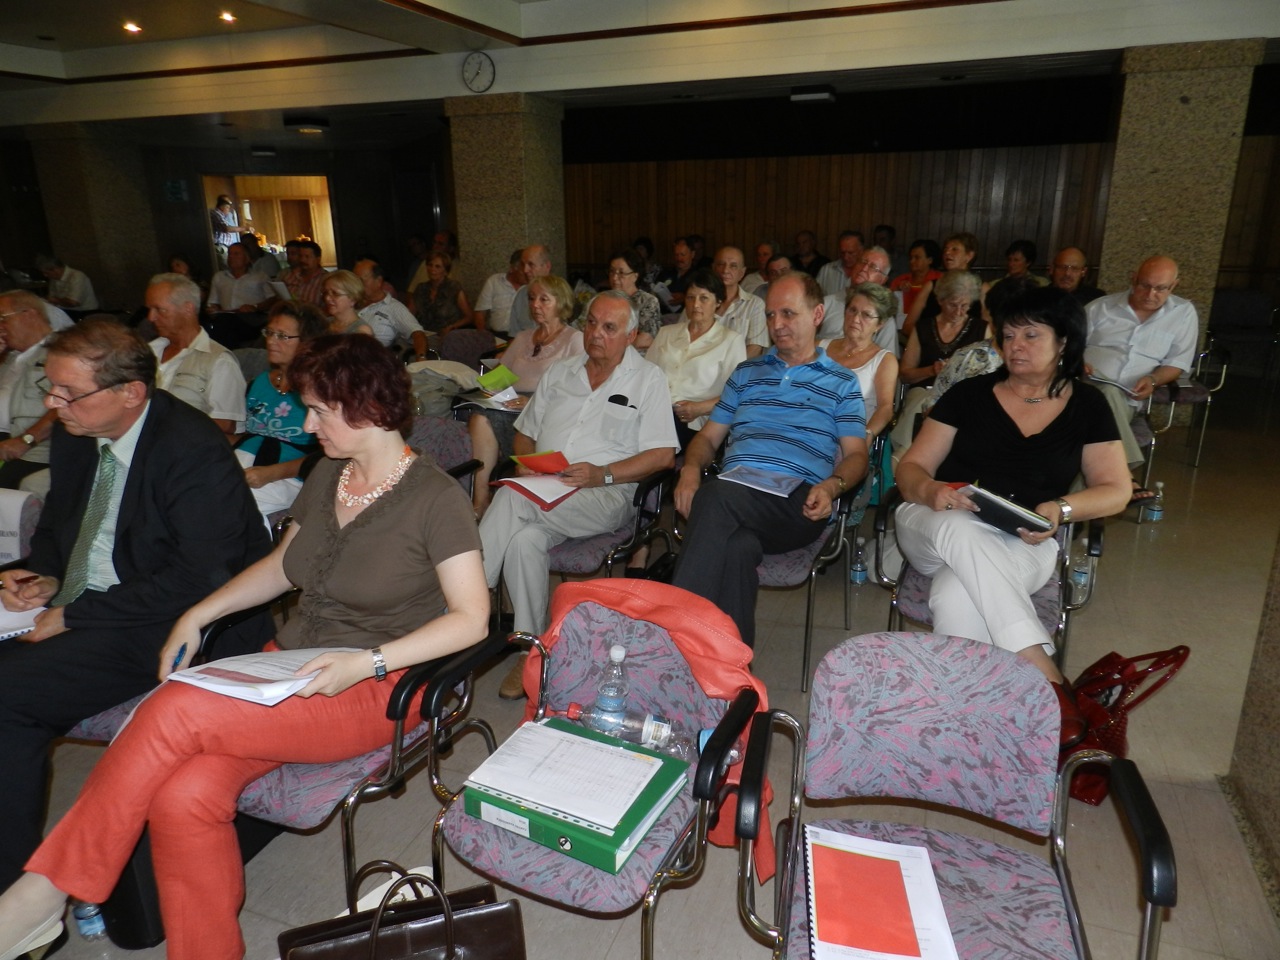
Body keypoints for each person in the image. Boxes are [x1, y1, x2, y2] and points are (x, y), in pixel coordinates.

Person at [0, 334, 488, 960]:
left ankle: (51, 887)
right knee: (183, 796)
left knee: (175, 707)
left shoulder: (434, 498)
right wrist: (199, 614)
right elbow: (283, 565)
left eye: (319, 411)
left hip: (374, 685)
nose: (307, 426)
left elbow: (472, 620)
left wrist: (366, 661)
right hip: (287, 666)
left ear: (366, 407)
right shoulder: (330, 472)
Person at [0, 317, 272, 901]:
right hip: (94, 599)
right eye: (51, 387)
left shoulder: (191, 449)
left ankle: (16, 900)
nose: (52, 405)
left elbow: (200, 578)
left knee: (8, 697)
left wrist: (76, 615)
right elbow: (58, 527)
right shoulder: (79, 430)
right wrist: (40, 576)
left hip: (174, 621)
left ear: (131, 392)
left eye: (68, 392)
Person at [893, 285, 1131, 745]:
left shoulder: (1088, 406)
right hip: (934, 523)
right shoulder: (968, 394)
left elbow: (1116, 490)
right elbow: (910, 468)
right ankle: (1046, 675)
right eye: (1008, 335)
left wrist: (1061, 508)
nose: (1015, 346)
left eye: (1031, 335)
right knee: (961, 526)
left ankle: (966, 732)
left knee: (956, 594)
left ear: (1063, 342)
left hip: (1025, 539)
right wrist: (930, 488)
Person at [482, 290, 677, 696]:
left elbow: (662, 455)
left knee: (511, 498)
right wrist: (528, 462)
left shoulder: (648, 379)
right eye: (591, 323)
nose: (596, 333)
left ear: (631, 335)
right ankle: (532, 651)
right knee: (523, 541)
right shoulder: (561, 372)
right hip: (548, 488)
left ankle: (466, 605)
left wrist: (602, 474)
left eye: (609, 327)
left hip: (607, 493)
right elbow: (524, 434)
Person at [672, 273, 868, 648]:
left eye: (788, 313)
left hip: (797, 502)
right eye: (770, 314)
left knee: (716, 497)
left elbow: (857, 456)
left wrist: (832, 486)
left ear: (817, 314)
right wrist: (691, 470)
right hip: (738, 494)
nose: (777, 324)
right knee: (737, 547)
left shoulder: (841, 383)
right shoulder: (746, 373)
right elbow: (708, 437)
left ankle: (672, 632)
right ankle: (732, 664)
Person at [467, 274, 585, 517]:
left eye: (544, 299)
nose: (535, 305)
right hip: (511, 407)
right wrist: (488, 390)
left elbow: (578, 391)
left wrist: (531, 402)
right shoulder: (523, 338)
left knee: (484, 418)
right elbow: (499, 378)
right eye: (532, 299)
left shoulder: (574, 339)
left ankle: (489, 499)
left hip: (545, 413)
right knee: (479, 415)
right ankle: (481, 500)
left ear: (561, 302)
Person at [1084, 255, 1199, 496]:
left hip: (1130, 397)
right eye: (1145, 285)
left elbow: (1177, 363)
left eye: (1161, 288)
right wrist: (1078, 363)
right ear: (1133, 279)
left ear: (1174, 285)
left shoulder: (1183, 313)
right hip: (1084, 386)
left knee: (1108, 396)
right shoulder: (1099, 308)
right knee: (1105, 392)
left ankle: (1109, 482)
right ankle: (1124, 476)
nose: (1150, 294)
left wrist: (1154, 380)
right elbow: (1067, 346)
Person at [235, 301, 329, 524]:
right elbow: (243, 435)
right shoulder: (259, 382)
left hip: (288, 477)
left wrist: (272, 473)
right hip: (243, 463)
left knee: (232, 507)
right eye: (269, 333)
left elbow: (326, 456)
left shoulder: (320, 389)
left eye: (282, 336)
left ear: (307, 342)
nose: (271, 341)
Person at [646, 268, 747, 449]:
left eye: (704, 298)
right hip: (654, 410)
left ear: (718, 302)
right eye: (691, 298)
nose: (696, 305)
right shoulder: (666, 333)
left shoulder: (731, 340)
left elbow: (738, 394)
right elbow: (645, 374)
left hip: (694, 421)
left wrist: (699, 408)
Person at [146, 272, 247, 438]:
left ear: (188, 308)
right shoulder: (146, 353)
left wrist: (164, 426)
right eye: (149, 309)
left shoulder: (219, 361)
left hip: (185, 446)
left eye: (160, 310)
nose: (151, 317)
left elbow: (225, 424)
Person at [818, 282, 899, 444]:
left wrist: (866, 436)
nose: (855, 319)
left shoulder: (884, 360)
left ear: (880, 324)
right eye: (852, 310)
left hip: (849, 438)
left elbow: (885, 408)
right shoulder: (819, 347)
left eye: (866, 315)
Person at [0, 292, 59, 488]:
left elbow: (69, 403)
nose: (0, 326)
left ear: (29, 314)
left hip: (30, 447)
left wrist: (27, 439)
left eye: (3, 318)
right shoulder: (10, 356)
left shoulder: (61, 351)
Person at [902, 231, 983, 337]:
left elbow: (988, 328)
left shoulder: (982, 288)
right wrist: (934, 337)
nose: (947, 253)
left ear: (969, 256)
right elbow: (908, 325)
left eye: (954, 249)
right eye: (946, 249)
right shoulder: (930, 286)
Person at [355, 258, 428, 359]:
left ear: (378, 281)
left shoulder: (393, 308)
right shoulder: (349, 303)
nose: (356, 285)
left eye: (361, 280)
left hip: (372, 360)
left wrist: (421, 357)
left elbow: (417, 333)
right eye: (354, 280)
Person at [206, 242, 274, 347]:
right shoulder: (219, 277)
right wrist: (213, 309)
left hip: (251, 319)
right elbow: (213, 302)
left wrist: (255, 307)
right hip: (226, 318)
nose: (231, 257)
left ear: (247, 258)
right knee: (222, 323)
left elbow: (272, 299)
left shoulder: (260, 277)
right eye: (230, 254)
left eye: (236, 254)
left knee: (224, 325)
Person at [711, 246, 769, 358]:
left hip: (739, 367)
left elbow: (755, 348)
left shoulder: (755, 304)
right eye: (721, 264)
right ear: (713, 268)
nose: (725, 270)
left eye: (733, 266)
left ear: (742, 273)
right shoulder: (699, 301)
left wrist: (729, 367)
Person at [606, 249, 661, 350]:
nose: (614, 278)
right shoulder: (603, 300)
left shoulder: (647, 301)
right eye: (612, 271)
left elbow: (646, 339)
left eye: (621, 273)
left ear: (635, 276)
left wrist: (612, 346)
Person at [411, 252, 473, 338]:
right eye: (430, 265)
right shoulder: (421, 288)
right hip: (423, 335)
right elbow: (410, 314)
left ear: (446, 271)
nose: (432, 269)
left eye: (437, 266)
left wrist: (452, 327)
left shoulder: (454, 288)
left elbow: (469, 317)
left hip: (447, 336)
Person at [473, 249, 524, 335]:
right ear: (512, 268)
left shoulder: (533, 285)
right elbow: (480, 312)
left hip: (523, 336)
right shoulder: (494, 281)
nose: (528, 272)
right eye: (523, 270)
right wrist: (483, 336)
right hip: (497, 335)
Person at [505, 245, 553, 336]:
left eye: (531, 265)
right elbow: (514, 335)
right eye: (523, 265)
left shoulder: (561, 294)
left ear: (547, 266)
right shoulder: (521, 295)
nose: (525, 270)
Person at [890, 238, 943, 319]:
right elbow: (888, 304)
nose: (912, 261)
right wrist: (898, 289)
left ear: (930, 260)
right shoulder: (900, 280)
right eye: (911, 258)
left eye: (917, 258)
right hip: (901, 323)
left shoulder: (940, 279)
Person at [322, 269, 375, 337]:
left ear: (353, 298)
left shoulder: (362, 330)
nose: (327, 298)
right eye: (326, 293)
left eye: (335, 293)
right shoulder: (323, 324)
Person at [815, 230, 866, 299]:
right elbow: (815, 296)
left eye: (850, 253)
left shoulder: (867, 273)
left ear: (861, 251)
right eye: (842, 252)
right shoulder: (826, 270)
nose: (846, 257)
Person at [655, 237, 697, 314]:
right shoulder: (666, 273)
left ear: (692, 254)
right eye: (676, 255)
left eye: (682, 255)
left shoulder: (698, 275)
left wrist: (684, 298)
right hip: (662, 315)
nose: (679, 258)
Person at [280, 240, 327, 308]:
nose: (302, 260)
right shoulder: (290, 276)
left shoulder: (325, 279)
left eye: (307, 257)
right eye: (300, 256)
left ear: (318, 259)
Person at [209, 194, 250, 262]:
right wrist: (245, 228)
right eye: (227, 207)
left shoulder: (222, 215)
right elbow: (226, 229)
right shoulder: (215, 214)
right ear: (222, 207)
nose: (229, 210)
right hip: (220, 247)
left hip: (225, 247)